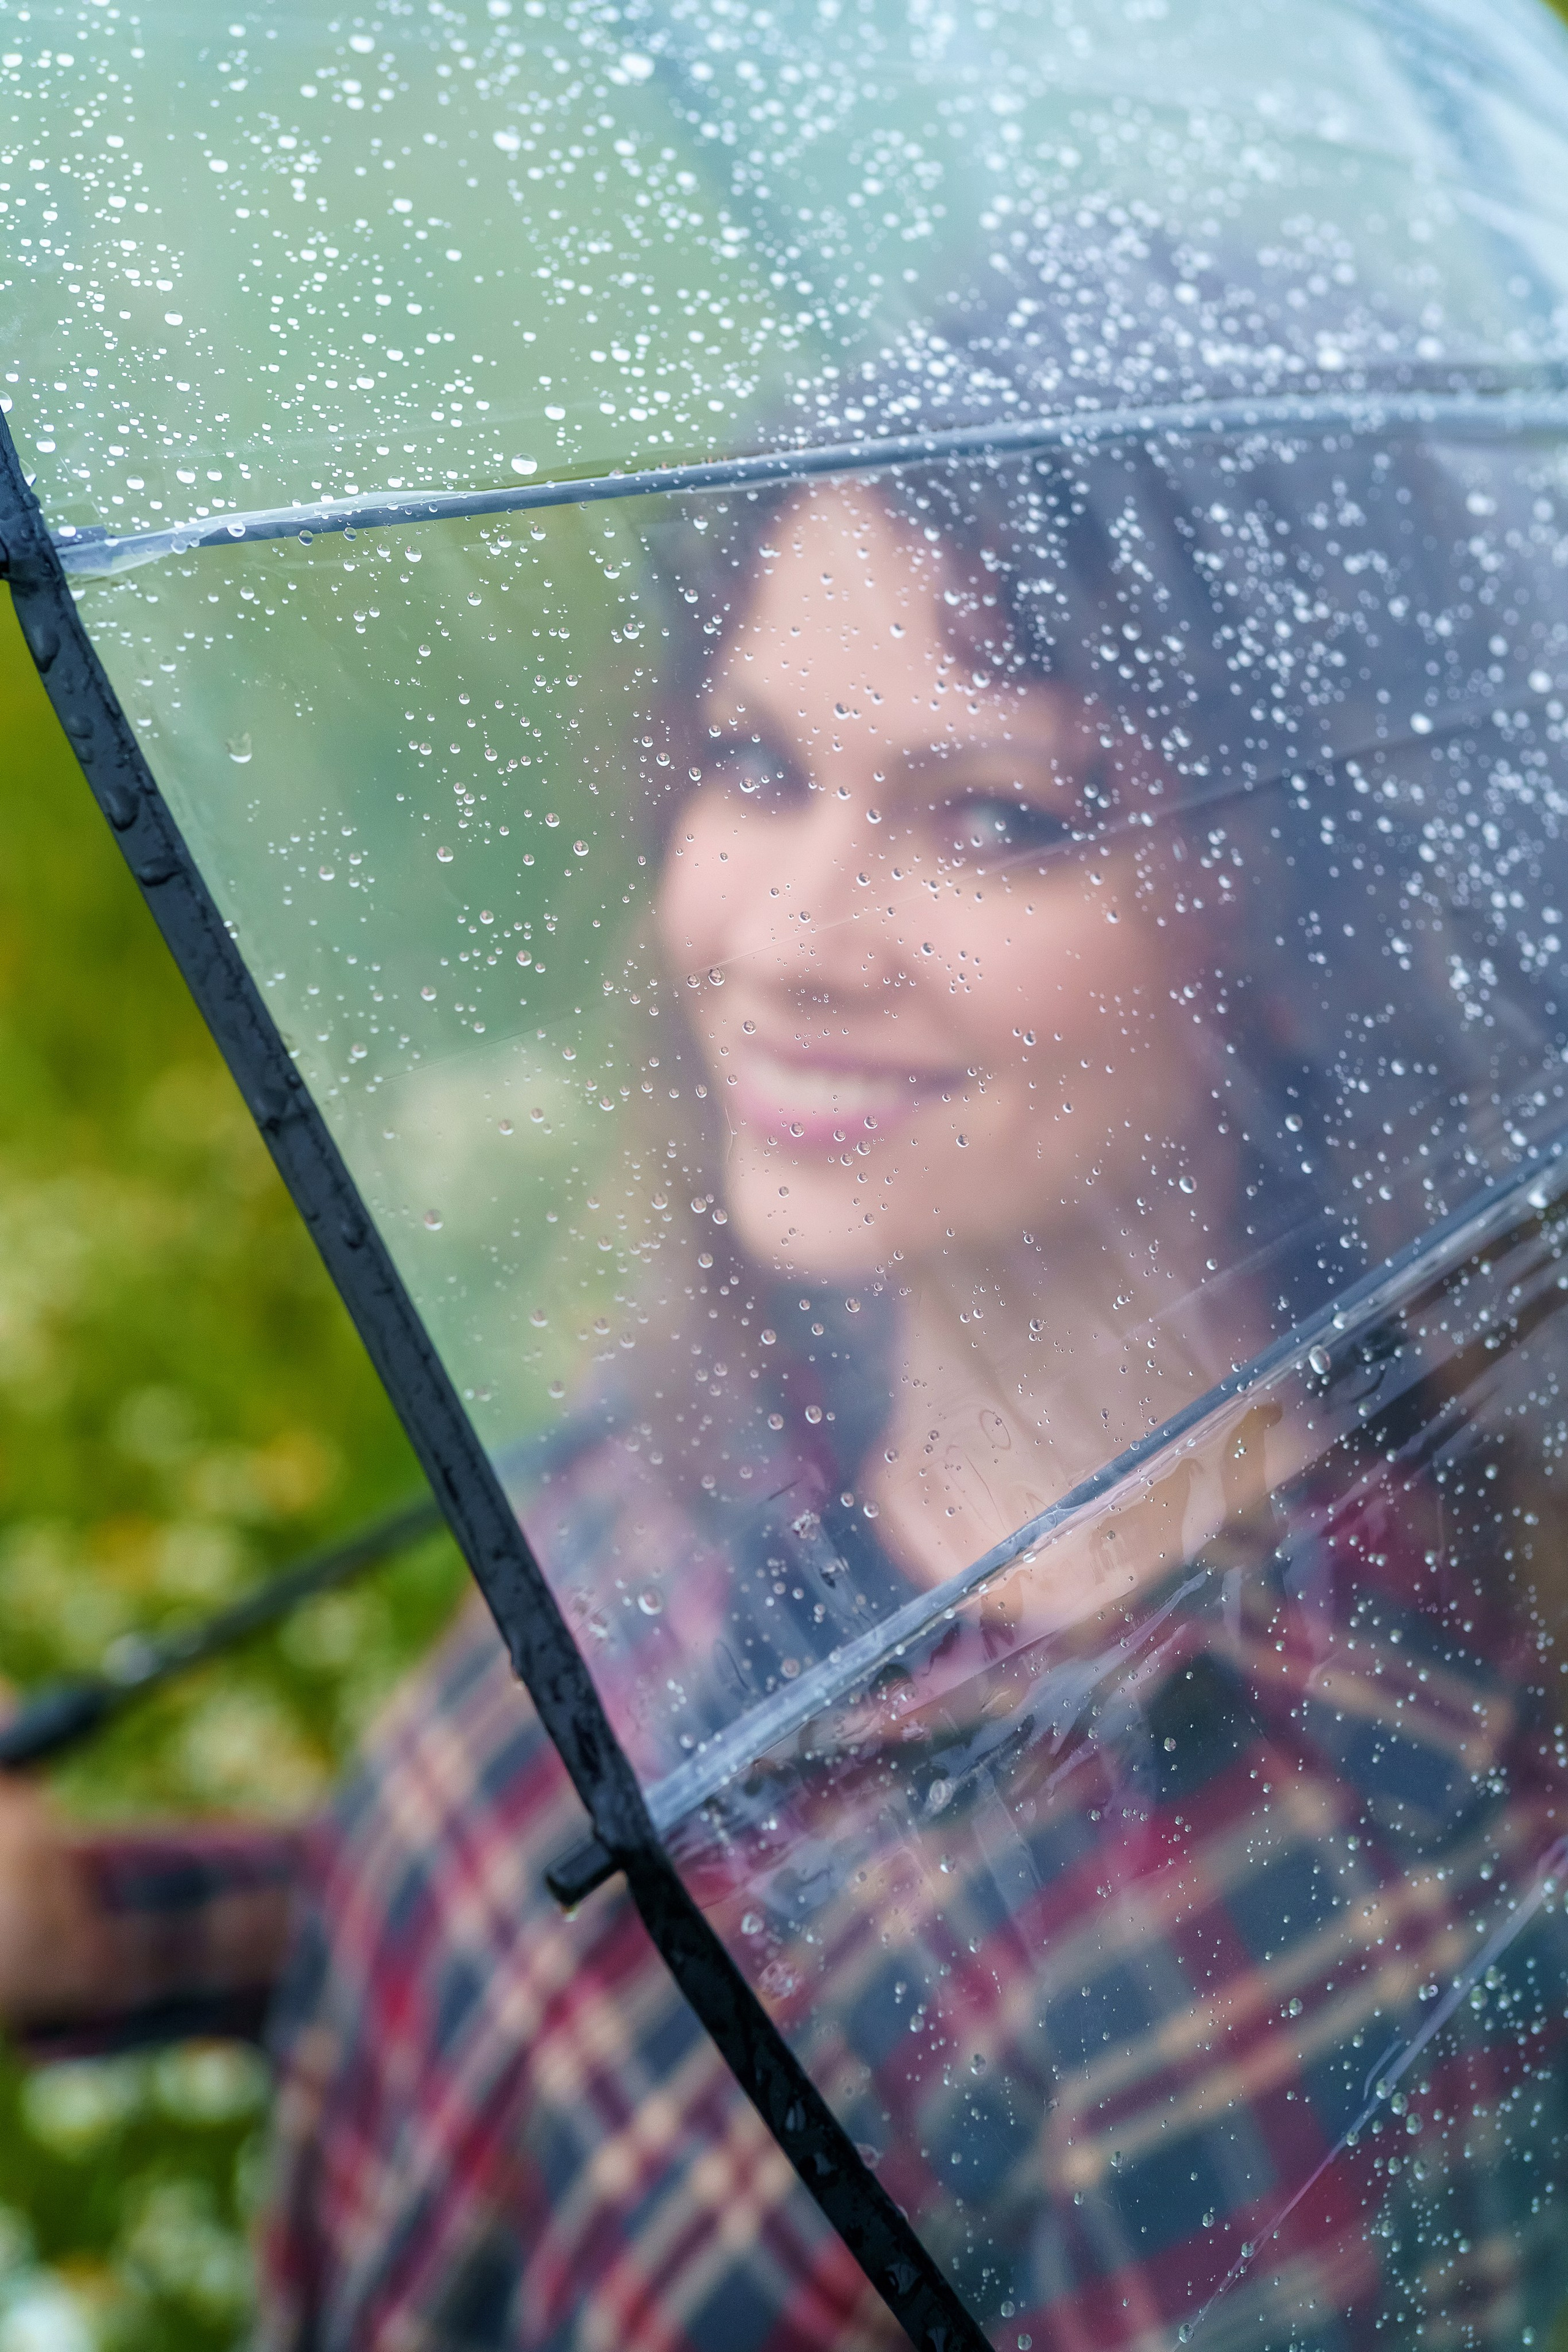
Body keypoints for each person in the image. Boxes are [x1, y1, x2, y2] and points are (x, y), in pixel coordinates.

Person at [4, 230, 1568, 2350]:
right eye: (756, 765)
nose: (785, 938)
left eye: (998, 818)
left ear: (1310, 915)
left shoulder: (1322, 1954)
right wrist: (113, 1935)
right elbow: (650, 1974)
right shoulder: (750, 1395)